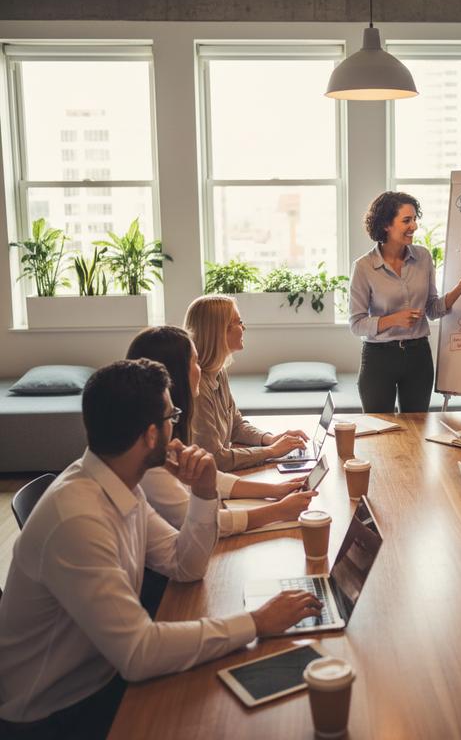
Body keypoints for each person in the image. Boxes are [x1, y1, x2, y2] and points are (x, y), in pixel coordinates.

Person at [0, 360, 321, 737]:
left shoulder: (120, 482)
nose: (176, 426)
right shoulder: (77, 519)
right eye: (173, 416)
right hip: (55, 714)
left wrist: (204, 492)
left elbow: (185, 566)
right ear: (152, 435)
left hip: (102, 674)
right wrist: (255, 622)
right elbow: (139, 654)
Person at [127, 326, 316, 535]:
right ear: (176, 374)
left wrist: (276, 490)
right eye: (195, 362)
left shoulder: (169, 429)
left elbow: (212, 476)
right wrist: (277, 511)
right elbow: (202, 525)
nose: (200, 369)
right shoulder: (150, 455)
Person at [349, 191, 461, 413]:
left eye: (414, 219)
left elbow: (432, 309)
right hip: (378, 358)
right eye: (406, 220)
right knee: (378, 426)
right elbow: (356, 324)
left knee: (417, 426)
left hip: (418, 356)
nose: (414, 226)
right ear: (385, 224)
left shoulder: (423, 257)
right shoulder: (363, 267)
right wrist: (393, 320)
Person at [184, 295, 310, 471]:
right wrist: (271, 451)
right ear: (220, 331)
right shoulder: (198, 387)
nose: (244, 327)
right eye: (239, 322)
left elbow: (236, 426)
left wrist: (270, 439)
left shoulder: (219, 372)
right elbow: (215, 459)